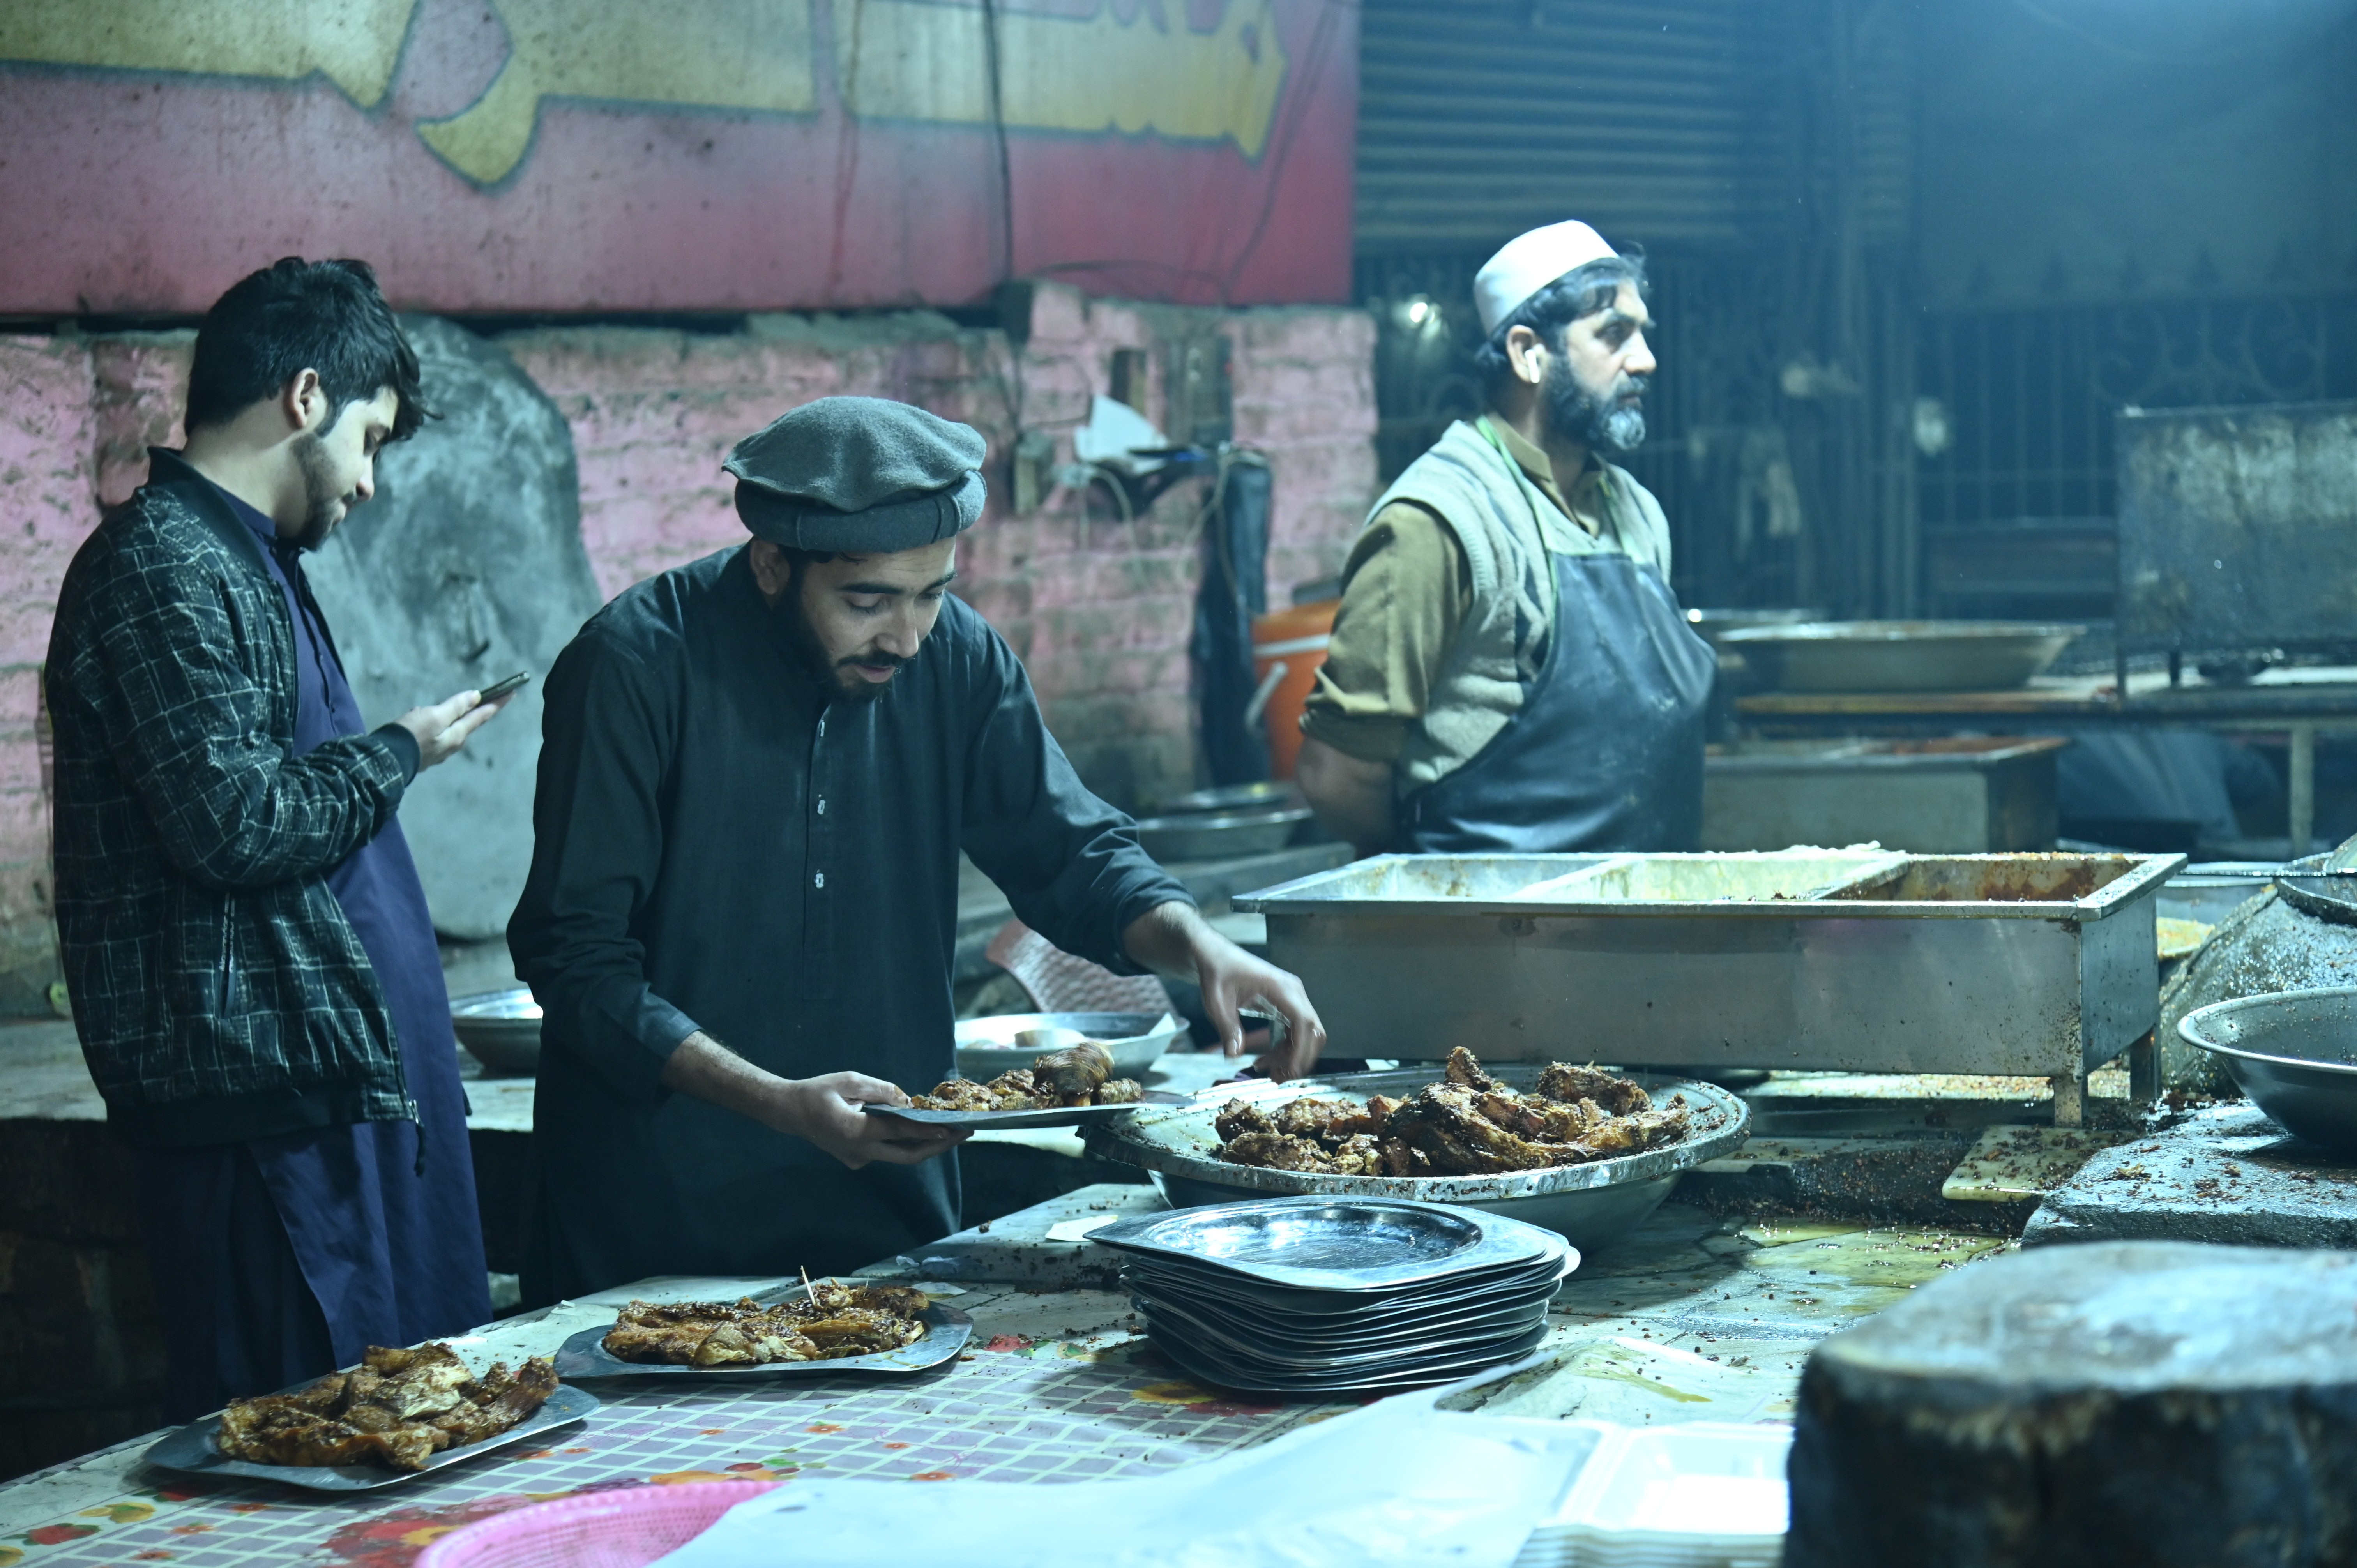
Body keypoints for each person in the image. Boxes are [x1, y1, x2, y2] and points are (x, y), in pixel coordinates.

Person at [509, 396, 1326, 1303]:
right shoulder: (636, 665)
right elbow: (578, 962)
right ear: (775, 564)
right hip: (653, 1229)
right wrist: (779, 1100)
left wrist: (1200, 943)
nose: (905, 636)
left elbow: (1071, 851)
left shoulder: (958, 658)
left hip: (886, 1220)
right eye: (868, 601)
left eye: (932, 593)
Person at [46, 258, 512, 1419]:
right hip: (260, 1128)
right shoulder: (161, 565)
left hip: (329, 1100)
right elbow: (237, 822)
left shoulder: (247, 559)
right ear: (306, 397)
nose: (367, 481)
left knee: (415, 1432)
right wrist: (399, 750)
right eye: (373, 438)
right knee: (300, 1454)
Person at [1295, 221, 1716, 855]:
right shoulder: (1439, 520)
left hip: (1646, 930)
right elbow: (1336, 776)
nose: (1646, 360)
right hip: (1496, 943)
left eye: (1642, 334)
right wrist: (1442, 882)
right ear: (1528, 353)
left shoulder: (1638, 514)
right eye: (1613, 335)